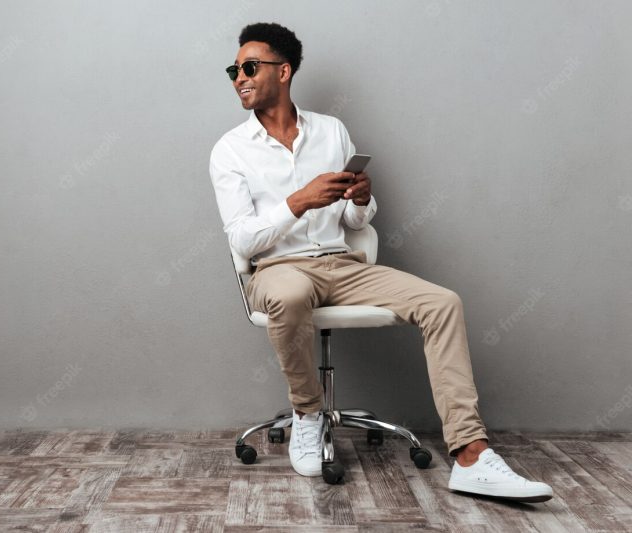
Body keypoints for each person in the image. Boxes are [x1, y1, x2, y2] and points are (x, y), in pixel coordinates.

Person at [209, 22, 553, 503]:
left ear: (283, 71)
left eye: (249, 67)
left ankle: (472, 456)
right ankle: (308, 414)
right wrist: (299, 201)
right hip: (278, 269)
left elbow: (355, 219)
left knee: (443, 302)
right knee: (288, 294)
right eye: (233, 70)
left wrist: (362, 199)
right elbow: (243, 241)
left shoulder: (331, 131)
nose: (238, 78)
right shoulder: (229, 150)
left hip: (342, 264)